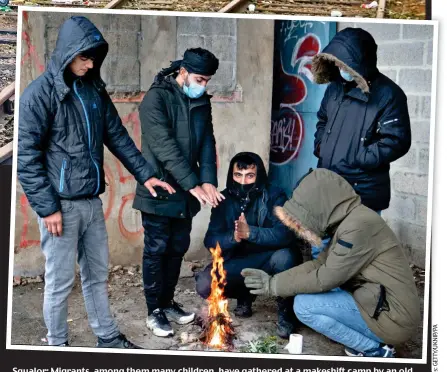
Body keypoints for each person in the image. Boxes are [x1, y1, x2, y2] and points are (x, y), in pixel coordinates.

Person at [17, 17, 175, 348]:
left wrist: (147, 175)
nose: (90, 65)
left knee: (97, 277)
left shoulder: (94, 92)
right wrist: (47, 209)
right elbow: (26, 158)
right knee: (60, 282)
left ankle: (107, 337)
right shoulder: (39, 95)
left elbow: (117, 136)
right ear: (67, 53)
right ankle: (57, 344)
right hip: (60, 208)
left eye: (93, 59)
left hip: (91, 203)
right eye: (84, 58)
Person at [242, 169, 420, 358]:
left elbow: (326, 278)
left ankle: (374, 350)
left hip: (393, 317)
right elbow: (319, 264)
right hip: (380, 302)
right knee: (312, 291)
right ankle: (371, 342)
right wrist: (274, 279)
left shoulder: (357, 227)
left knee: (304, 306)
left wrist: (273, 286)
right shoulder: (351, 220)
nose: (302, 226)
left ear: (320, 205)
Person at [133, 47, 224, 337]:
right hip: (159, 189)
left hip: (187, 193)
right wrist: (193, 183)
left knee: (176, 249)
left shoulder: (201, 101)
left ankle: (168, 302)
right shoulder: (156, 98)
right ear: (182, 72)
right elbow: (164, 148)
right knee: (156, 250)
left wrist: (208, 179)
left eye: (208, 80)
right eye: (200, 79)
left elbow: (207, 141)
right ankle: (154, 311)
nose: (204, 85)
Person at [310, 27, 411, 258]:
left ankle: (351, 294)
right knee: (321, 248)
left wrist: (358, 157)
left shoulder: (389, 95)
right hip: (327, 186)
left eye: (345, 65)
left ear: (361, 63)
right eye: (337, 64)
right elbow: (322, 119)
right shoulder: (335, 87)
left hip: (362, 192)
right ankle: (319, 292)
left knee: (354, 255)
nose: (340, 69)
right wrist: (321, 145)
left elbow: (397, 140)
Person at [195, 152, 300, 339]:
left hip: (268, 259)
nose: (243, 181)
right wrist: (233, 237)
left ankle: (286, 312)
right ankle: (245, 296)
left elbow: (286, 234)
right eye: (238, 175)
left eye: (250, 175)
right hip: (238, 261)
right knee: (205, 284)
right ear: (231, 175)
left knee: (286, 257)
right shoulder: (223, 199)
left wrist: (250, 233)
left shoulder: (276, 196)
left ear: (258, 175)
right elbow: (210, 240)